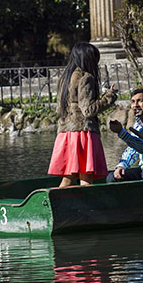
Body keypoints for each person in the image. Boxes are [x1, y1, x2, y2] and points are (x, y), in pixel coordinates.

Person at [48, 42, 117, 188]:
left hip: (66, 133)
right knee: (86, 179)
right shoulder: (86, 77)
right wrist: (109, 97)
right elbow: (88, 110)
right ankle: (88, 209)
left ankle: (57, 205)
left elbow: (59, 109)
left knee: (68, 179)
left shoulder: (65, 78)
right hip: (83, 133)